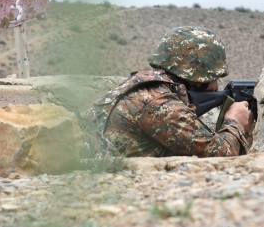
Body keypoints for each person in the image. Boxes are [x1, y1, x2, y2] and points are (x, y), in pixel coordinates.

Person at [81, 26, 254, 158]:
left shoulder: (147, 85)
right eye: (215, 77)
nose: (217, 87)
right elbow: (220, 155)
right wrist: (235, 122)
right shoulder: (158, 102)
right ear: (198, 78)